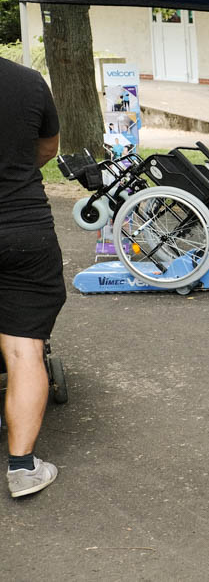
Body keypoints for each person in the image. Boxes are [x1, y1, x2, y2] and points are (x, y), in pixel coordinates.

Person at [0, 57, 67, 498]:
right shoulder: (26, 80)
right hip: (22, 226)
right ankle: (23, 468)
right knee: (26, 349)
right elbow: (49, 148)